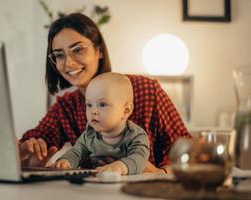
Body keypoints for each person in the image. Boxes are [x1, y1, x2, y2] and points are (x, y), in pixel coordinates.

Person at [19, 13, 191, 174]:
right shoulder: (66, 106)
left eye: (78, 50)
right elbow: (36, 140)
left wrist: (160, 173)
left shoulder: (145, 89)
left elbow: (186, 149)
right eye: (59, 55)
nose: (68, 63)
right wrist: (29, 152)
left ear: (99, 50)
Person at [51, 72, 150, 175]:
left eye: (102, 104)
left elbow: (139, 158)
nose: (93, 111)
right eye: (89, 105)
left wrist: (121, 167)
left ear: (126, 110)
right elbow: (76, 153)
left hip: (126, 186)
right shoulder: (89, 136)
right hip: (96, 185)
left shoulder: (136, 136)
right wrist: (66, 161)